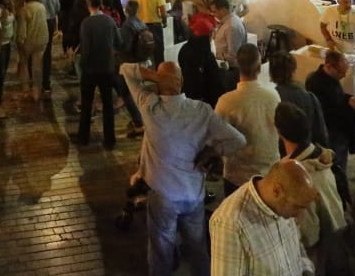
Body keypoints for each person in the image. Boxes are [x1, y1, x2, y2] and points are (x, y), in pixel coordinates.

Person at [121, 60, 246, 276]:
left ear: (158, 83)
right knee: (198, 249)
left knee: (162, 252)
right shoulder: (202, 111)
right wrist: (212, 151)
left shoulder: (149, 107)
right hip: (193, 195)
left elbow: (125, 69)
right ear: (183, 82)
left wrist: (155, 76)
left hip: (162, 195)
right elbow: (238, 140)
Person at [209, 159, 318, 276]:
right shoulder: (230, 223)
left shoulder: (286, 202)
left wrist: (307, 270)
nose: (299, 215)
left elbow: (297, 248)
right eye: (297, 207)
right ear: (276, 191)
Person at [274, 102, 345, 254]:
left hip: (322, 250)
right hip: (339, 232)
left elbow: (309, 235)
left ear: (279, 132)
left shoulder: (295, 175)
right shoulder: (324, 156)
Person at [216, 43, 282, 191]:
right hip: (268, 172)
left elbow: (217, 138)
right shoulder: (273, 96)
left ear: (238, 65)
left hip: (237, 175)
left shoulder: (226, 101)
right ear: (259, 68)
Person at [308, 49, 355, 205]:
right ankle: (337, 196)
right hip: (332, 133)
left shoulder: (327, 79)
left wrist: (347, 98)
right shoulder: (316, 83)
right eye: (341, 73)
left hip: (337, 130)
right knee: (337, 166)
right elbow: (328, 113)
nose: (343, 76)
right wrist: (349, 107)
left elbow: (336, 100)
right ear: (330, 67)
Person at [78, 0, 123, 148]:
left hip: (90, 69)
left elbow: (86, 48)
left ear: (88, 4)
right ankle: (110, 140)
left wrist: (82, 65)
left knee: (86, 104)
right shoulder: (110, 21)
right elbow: (118, 42)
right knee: (108, 104)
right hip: (107, 68)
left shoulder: (86, 23)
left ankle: (83, 137)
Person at [270, 53, 329, 148]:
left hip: (281, 153)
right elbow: (320, 132)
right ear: (293, 70)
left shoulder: (271, 98)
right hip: (306, 151)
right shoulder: (309, 96)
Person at [13, 0, 49, 104]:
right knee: (37, 67)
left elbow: (22, 30)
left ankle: (26, 90)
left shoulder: (24, 10)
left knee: (24, 65)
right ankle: (36, 91)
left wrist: (19, 41)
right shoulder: (42, 7)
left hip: (29, 42)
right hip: (42, 40)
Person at [127, 0, 168, 67]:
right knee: (158, 52)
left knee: (140, 51)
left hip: (138, 27)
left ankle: (143, 75)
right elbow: (163, 10)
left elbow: (130, 10)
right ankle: (160, 73)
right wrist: (164, 20)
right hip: (154, 26)